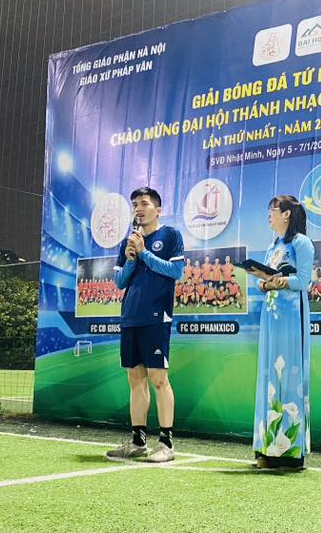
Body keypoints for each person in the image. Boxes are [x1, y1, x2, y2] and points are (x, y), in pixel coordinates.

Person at [106, 187, 185, 463]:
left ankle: (166, 444)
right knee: (135, 378)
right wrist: (131, 258)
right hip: (130, 317)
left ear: (158, 210)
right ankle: (138, 442)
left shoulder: (171, 235)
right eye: (135, 205)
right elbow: (119, 282)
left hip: (156, 316)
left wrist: (145, 253)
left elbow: (176, 271)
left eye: (144, 204)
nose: (138, 209)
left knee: (158, 379)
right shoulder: (128, 242)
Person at [246, 195, 314, 470]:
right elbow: (263, 281)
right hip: (271, 314)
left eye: (272, 210)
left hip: (291, 314)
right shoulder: (273, 246)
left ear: (287, 214)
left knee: (289, 374)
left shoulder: (301, 243)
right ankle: (267, 447)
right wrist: (265, 284)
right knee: (269, 374)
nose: (269, 215)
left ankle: (291, 453)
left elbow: (304, 281)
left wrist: (280, 282)